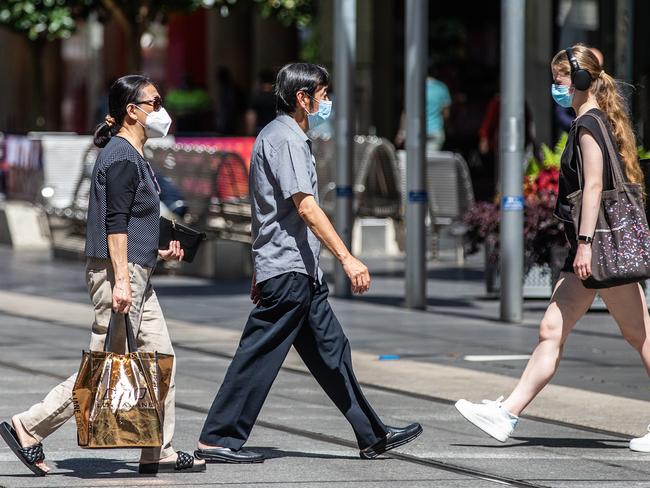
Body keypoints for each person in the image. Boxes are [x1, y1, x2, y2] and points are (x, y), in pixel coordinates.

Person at [195, 63, 422, 464]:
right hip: (288, 270)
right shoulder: (287, 140)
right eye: (324, 93)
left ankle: (372, 434)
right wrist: (348, 258)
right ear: (303, 98)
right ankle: (218, 437)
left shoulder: (277, 135)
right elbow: (306, 208)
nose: (327, 101)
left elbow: (265, 212)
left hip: (296, 270)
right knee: (258, 353)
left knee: (333, 351)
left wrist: (260, 267)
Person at [0, 75, 206, 476]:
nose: (161, 110)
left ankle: (155, 450)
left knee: (161, 357)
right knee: (103, 366)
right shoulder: (122, 157)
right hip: (120, 274)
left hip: (133, 269)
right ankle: (28, 426)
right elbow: (114, 223)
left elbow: (131, 221)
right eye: (155, 102)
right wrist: (123, 281)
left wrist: (157, 249)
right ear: (132, 110)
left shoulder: (128, 153)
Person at [455, 45, 650, 453]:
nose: (554, 87)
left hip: (595, 248)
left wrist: (584, 244)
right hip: (591, 248)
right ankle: (505, 414)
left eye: (559, 79)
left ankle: (506, 413)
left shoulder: (589, 126)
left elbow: (594, 186)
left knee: (641, 335)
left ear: (578, 81)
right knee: (553, 330)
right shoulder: (591, 121)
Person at [395, 63, 451, 154]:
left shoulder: (414, 88)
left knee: (415, 163)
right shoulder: (442, 88)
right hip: (435, 131)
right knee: (430, 163)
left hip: (416, 131)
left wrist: (401, 133)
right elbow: (446, 114)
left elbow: (406, 113)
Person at [245, 69, 277, 136]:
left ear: (260, 82)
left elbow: (251, 118)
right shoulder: (278, 99)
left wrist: (250, 134)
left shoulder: (256, 99)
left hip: (261, 132)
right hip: (276, 131)